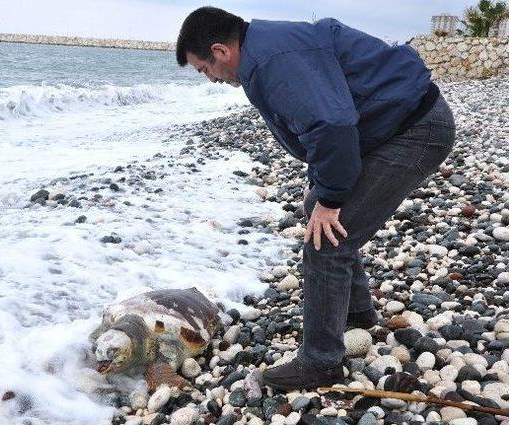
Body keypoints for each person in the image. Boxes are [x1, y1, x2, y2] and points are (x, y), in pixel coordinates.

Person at [175, 7, 456, 391]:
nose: (211, 80)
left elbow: (332, 124)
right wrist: (322, 190)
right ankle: (356, 312)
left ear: (221, 51)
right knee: (319, 212)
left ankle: (321, 362)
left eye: (204, 70)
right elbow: (323, 121)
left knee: (327, 240)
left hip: (414, 129)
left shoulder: (274, 59)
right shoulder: (267, 46)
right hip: (388, 125)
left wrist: (332, 196)